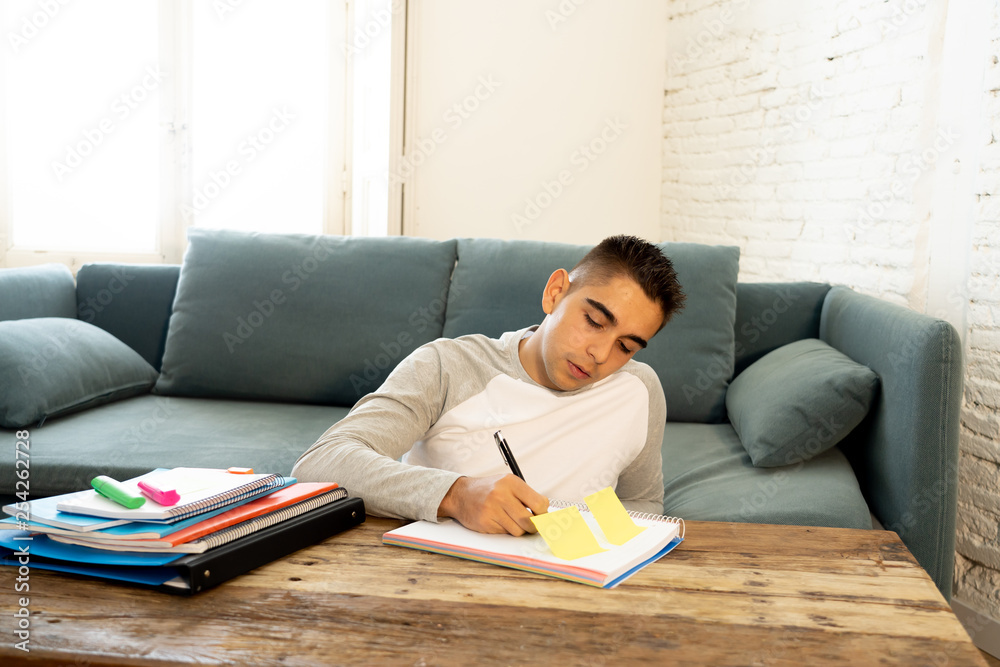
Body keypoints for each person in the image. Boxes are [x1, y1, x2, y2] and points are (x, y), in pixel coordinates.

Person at [292, 235, 685, 536]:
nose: (600, 354)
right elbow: (320, 463)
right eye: (594, 322)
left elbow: (641, 503)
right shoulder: (447, 365)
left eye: (626, 346)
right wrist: (456, 495)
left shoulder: (640, 390)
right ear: (555, 293)